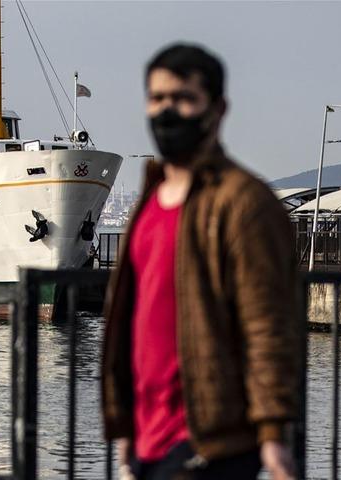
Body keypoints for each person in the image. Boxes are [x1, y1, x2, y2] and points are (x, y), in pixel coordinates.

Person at [101, 44, 300, 480]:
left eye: (184, 98)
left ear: (218, 108)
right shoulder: (149, 202)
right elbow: (134, 320)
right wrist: (125, 430)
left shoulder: (245, 203)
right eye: (157, 98)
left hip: (210, 440)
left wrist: (272, 433)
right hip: (148, 440)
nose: (168, 111)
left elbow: (268, 323)